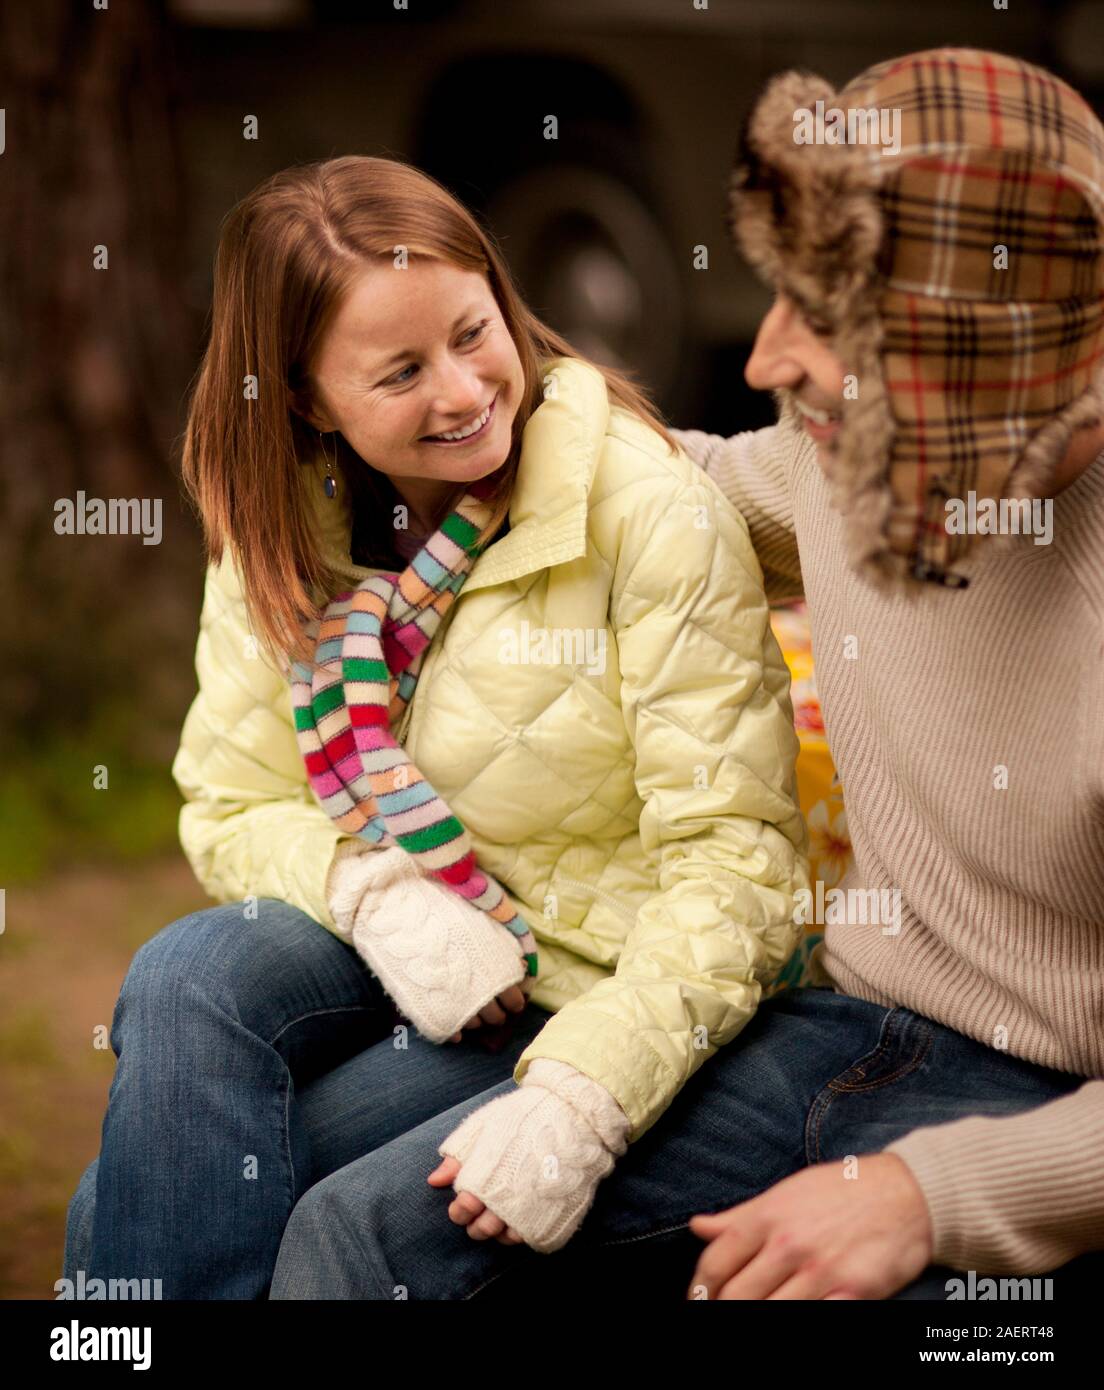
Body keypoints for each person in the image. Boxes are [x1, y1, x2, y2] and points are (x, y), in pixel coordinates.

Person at [266, 47, 1104, 1301]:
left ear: (968, 340)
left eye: (823, 318)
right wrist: (353, 455)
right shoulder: (841, 463)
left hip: (1055, 1126)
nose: (766, 357)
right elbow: (651, 489)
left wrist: (932, 1197)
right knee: (355, 1224)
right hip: (843, 1030)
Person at [62, 155, 809, 1298]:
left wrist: (584, 1091)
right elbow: (233, 799)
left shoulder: (644, 509)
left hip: (580, 975)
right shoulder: (280, 525)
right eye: (402, 370)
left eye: (473, 333)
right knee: (189, 969)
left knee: (124, 1200)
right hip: (409, 950)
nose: (462, 392)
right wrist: (385, 901)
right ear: (307, 397)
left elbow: (736, 866)